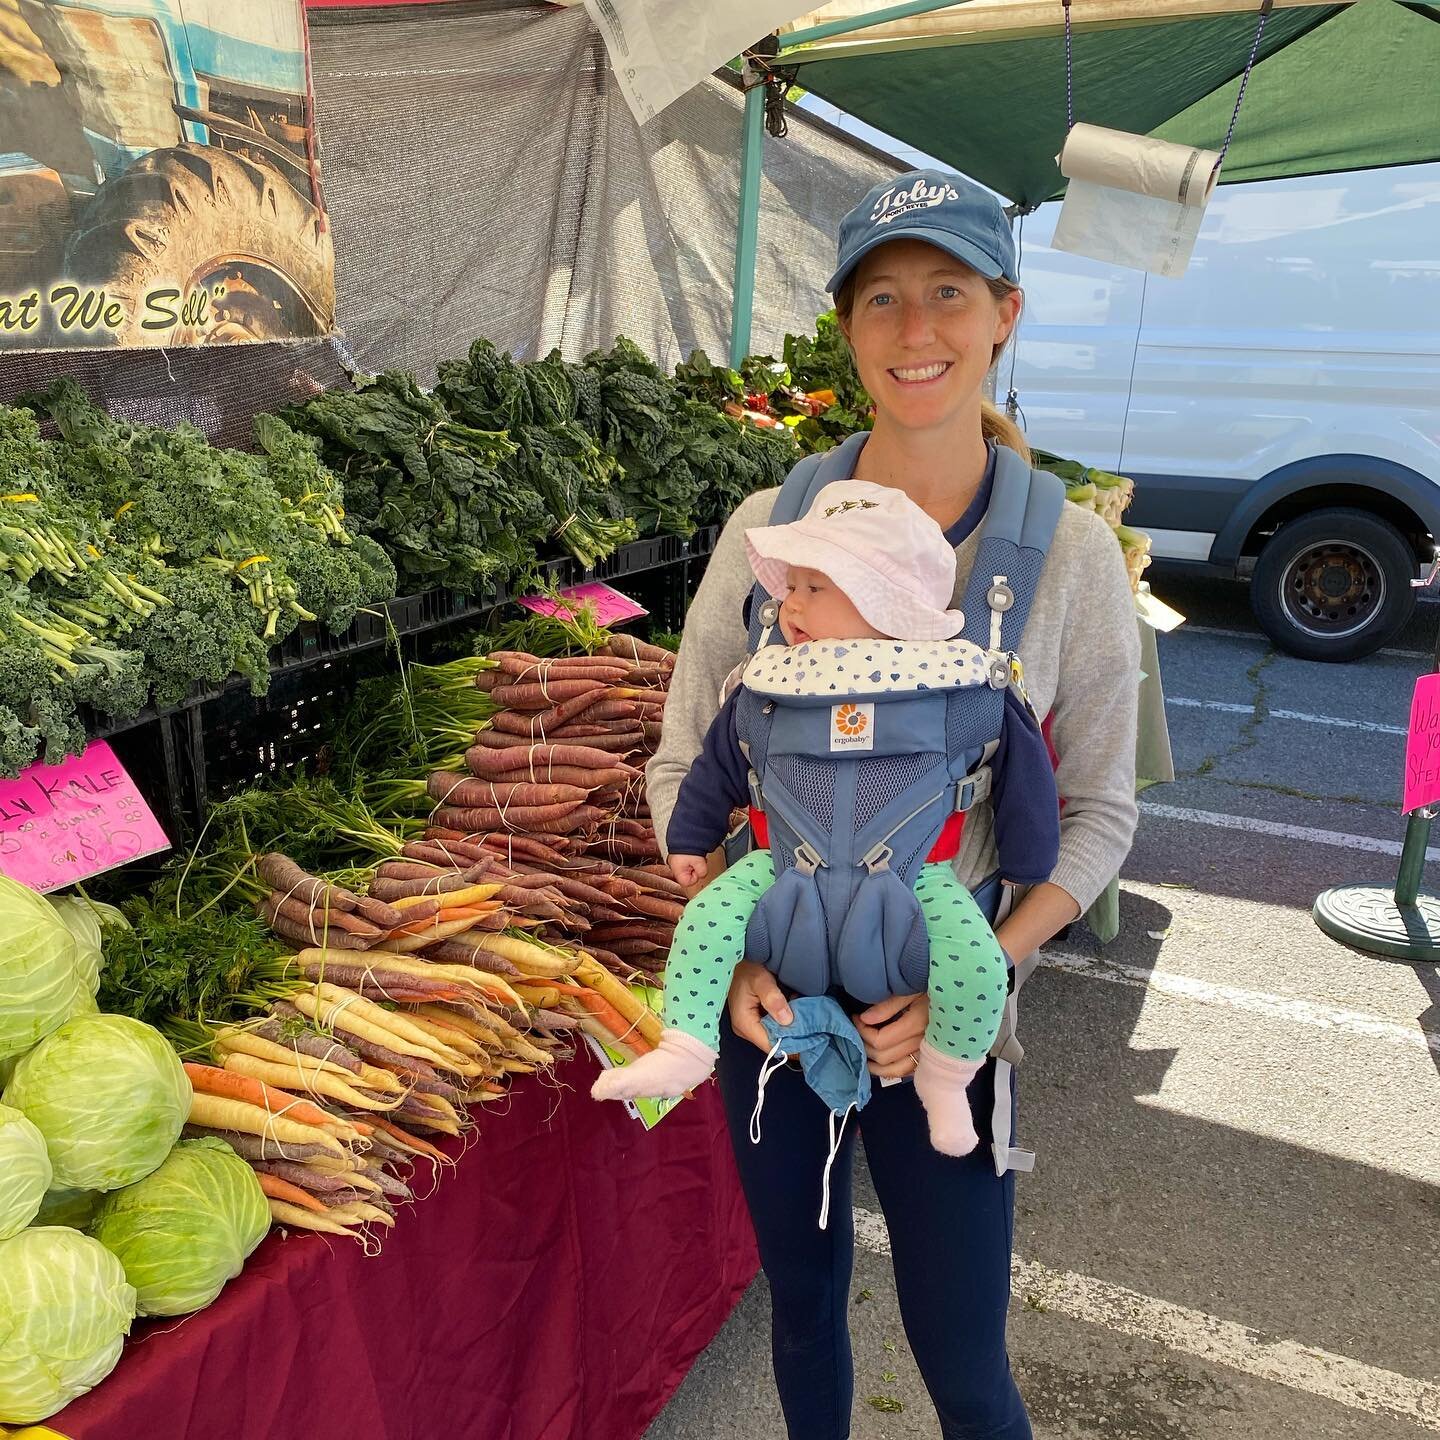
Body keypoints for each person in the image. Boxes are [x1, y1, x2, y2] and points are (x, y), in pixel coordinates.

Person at [645, 168, 1141, 1439]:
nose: (915, 332)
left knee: (965, 1366)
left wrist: (981, 979)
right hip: (777, 1022)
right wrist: (735, 967)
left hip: (946, 1032)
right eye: (881, 300)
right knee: (804, 1319)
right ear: (848, 328)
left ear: (1003, 314)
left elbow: (1096, 816)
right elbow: (682, 766)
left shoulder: (1066, 553)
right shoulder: (770, 532)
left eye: (947, 294)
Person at [592, 477, 1061, 1163]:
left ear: (888, 601)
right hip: (781, 869)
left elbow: (1024, 779)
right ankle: (686, 1045)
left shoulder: (964, 690)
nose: (789, 602)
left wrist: (1029, 862)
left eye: (816, 586)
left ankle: (946, 1079)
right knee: (705, 920)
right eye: (792, 585)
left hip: (915, 881)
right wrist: (691, 838)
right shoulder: (770, 687)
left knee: (982, 964)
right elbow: (717, 764)